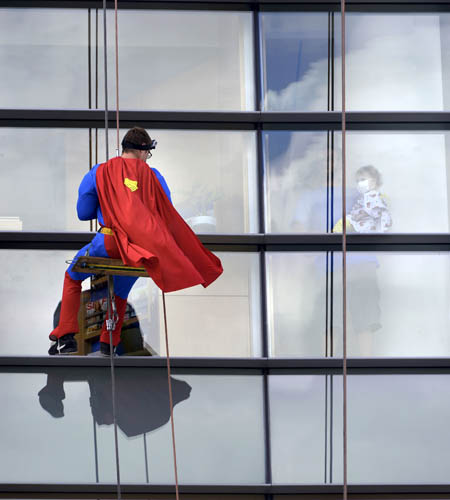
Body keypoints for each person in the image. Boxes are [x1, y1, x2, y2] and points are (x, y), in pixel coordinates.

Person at [49, 127, 222, 356]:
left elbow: (83, 212)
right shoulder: (154, 176)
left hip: (109, 243)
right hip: (140, 249)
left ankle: (66, 337)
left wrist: (107, 202)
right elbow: (166, 211)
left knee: (72, 275)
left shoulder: (99, 172)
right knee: (121, 292)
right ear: (142, 151)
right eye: (148, 154)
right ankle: (109, 341)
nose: (147, 158)